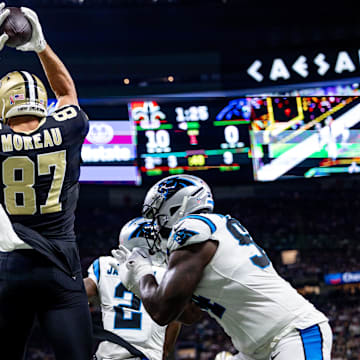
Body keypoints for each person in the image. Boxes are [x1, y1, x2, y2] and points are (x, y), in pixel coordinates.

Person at [114, 174, 333, 360]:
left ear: (177, 205)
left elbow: (162, 311)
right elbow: (189, 314)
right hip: (256, 350)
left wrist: (141, 274)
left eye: (156, 215)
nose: (155, 225)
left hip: (293, 333)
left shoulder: (192, 227)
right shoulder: (206, 233)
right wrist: (142, 280)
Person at [0, 3, 92, 360]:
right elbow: (67, 94)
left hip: (7, 270)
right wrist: (40, 44)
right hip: (61, 266)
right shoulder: (68, 128)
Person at [84, 217, 182, 360]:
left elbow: (78, 293)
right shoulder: (168, 275)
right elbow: (167, 345)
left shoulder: (105, 265)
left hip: (108, 356)